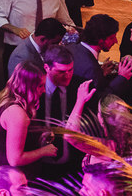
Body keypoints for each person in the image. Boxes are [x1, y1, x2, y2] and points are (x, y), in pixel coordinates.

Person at [29, 45, 95, 182]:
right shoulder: (34, 88)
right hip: (38, 167)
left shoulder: (81, 87)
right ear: (47, 68)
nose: (68, 75)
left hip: (73, 168)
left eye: (70, 70)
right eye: (61, 71)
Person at [66, 14, 119, 87]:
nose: (116, 41)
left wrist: (100, 72)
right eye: (112, 38)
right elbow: (99, 94)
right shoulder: (92, 69)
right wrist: (122, 77)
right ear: (100, 40)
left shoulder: (70, 47)